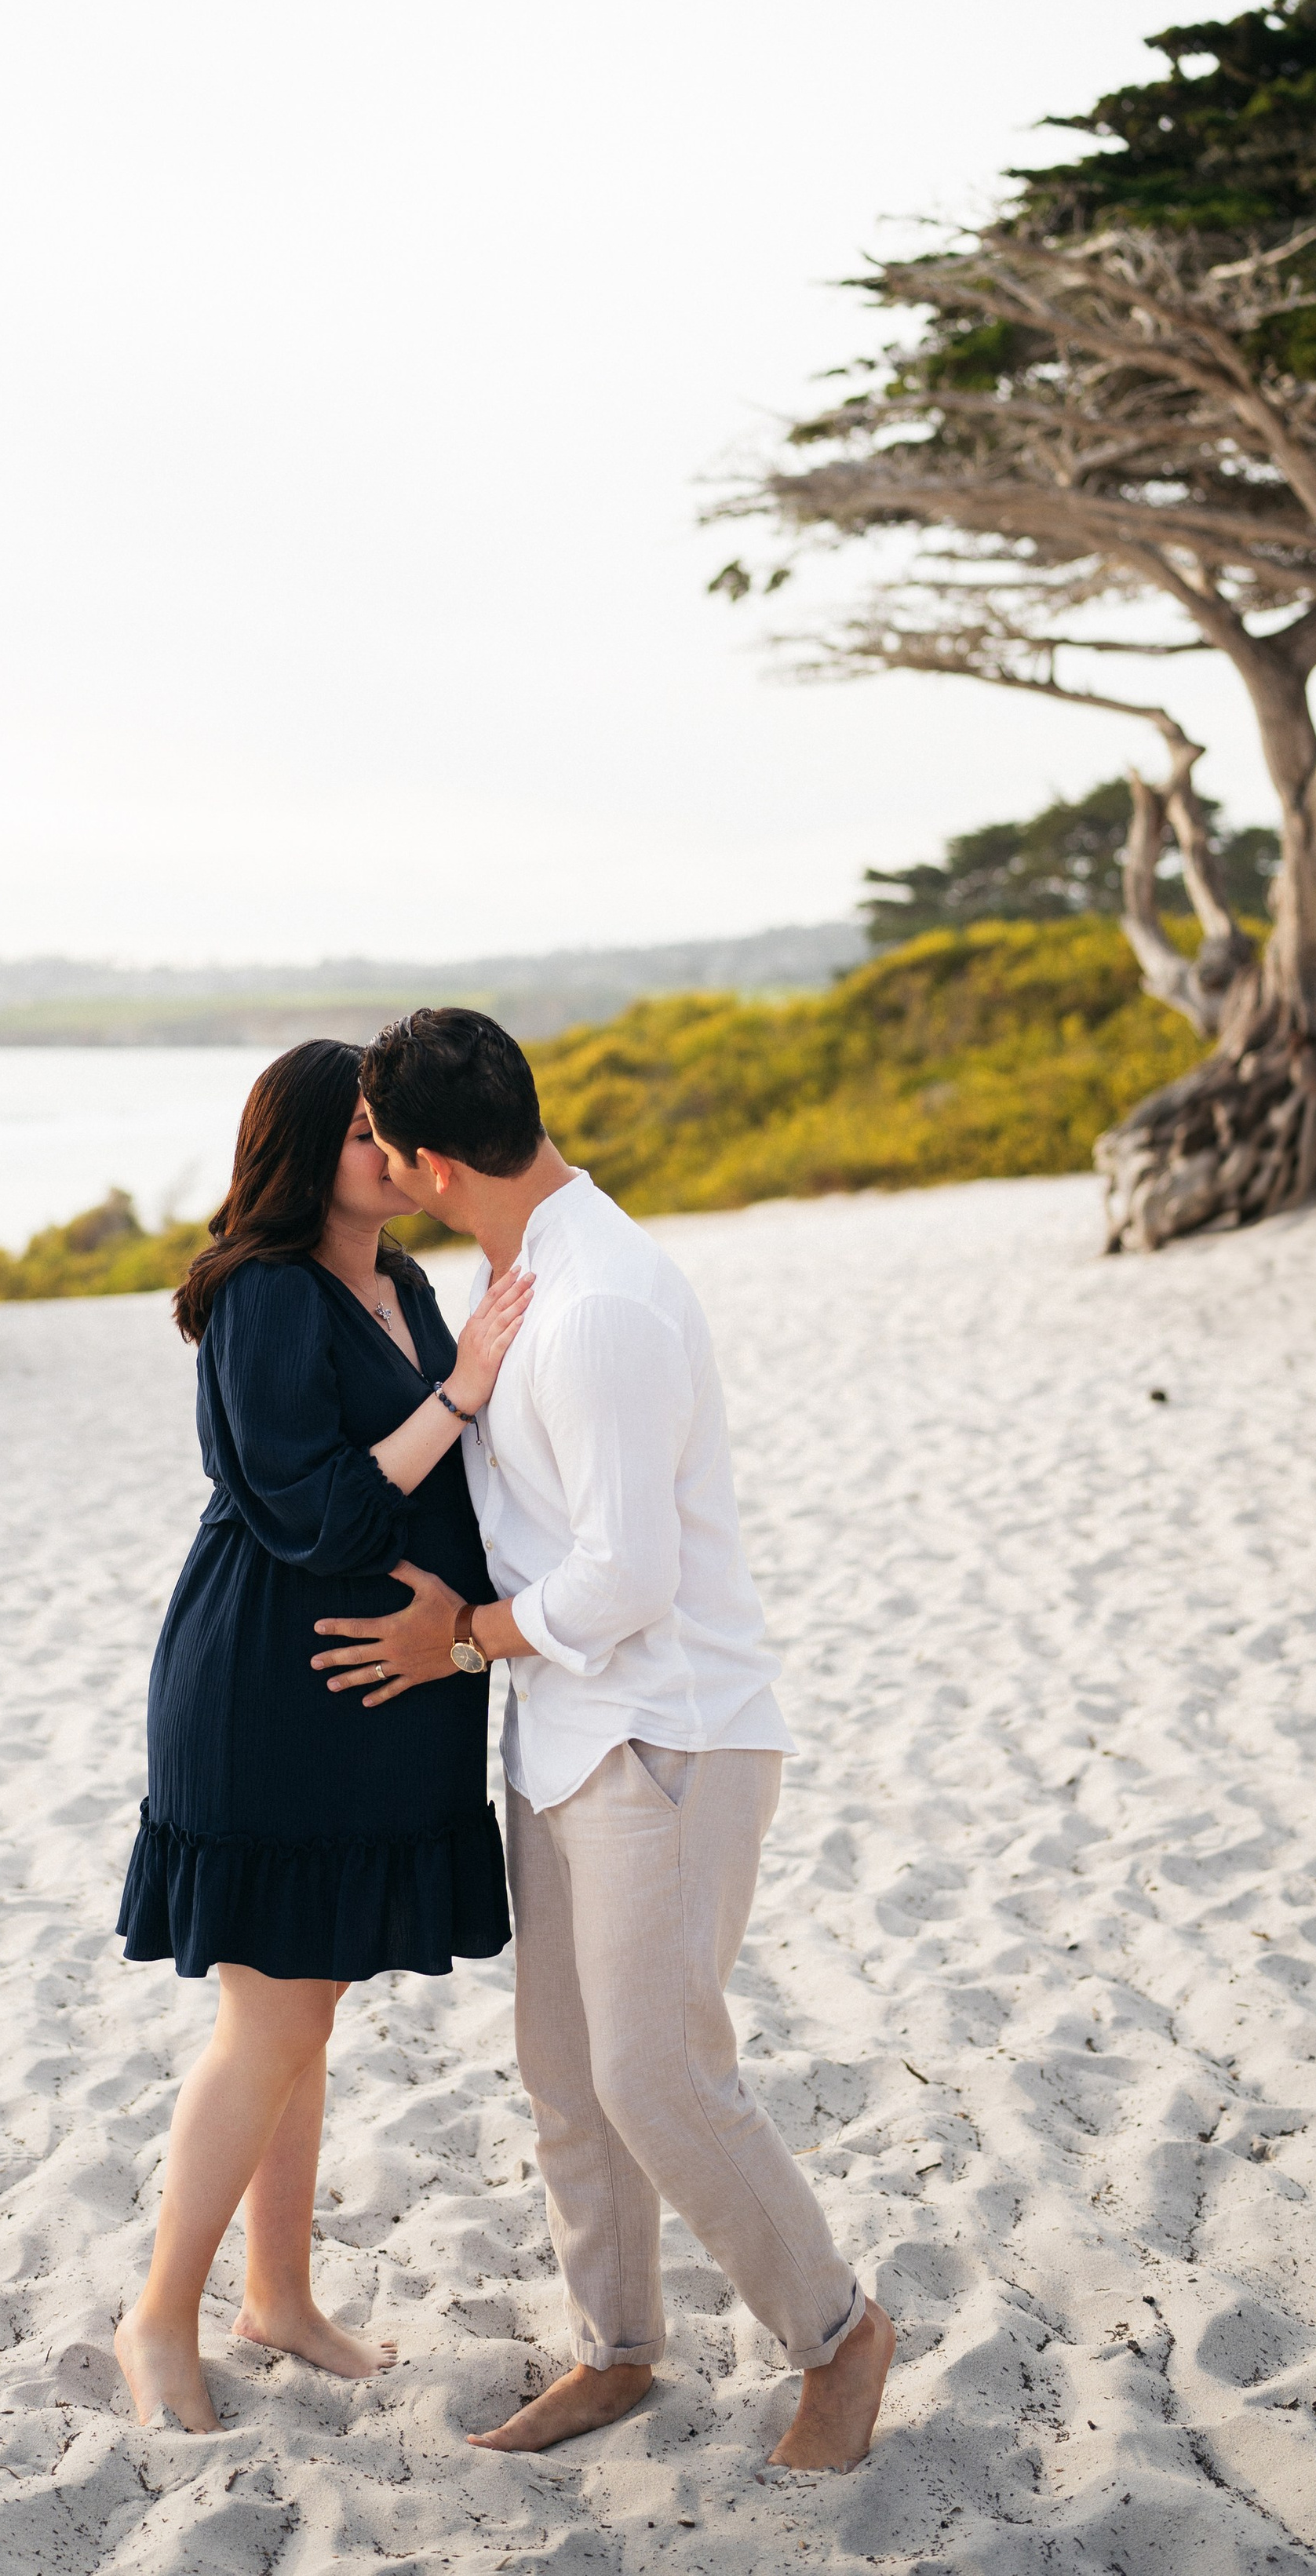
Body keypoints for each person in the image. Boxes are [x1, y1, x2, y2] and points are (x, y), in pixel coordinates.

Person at [312, 1007, 895, 2472]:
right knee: (566, 2076)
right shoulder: (514, 1273)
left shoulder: (601, 1306)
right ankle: (618, 2347)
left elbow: (627, 1580)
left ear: (434, 1161)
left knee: (660, 2076)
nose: (371, 1162)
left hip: (672, 1736)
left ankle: (837, 2336)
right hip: (562, 1733)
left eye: (382, 1141)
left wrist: (462, 1637)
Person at [113, 1037, 534, 2432]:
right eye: (366, 1130)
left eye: (396, 1127)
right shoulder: (263, 1298)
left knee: (311, 2004)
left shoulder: (402, 1279)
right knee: (271, 2010)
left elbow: (436, 1492)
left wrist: (474, 1613)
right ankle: (159, 2314)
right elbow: (322, 1514)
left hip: (386, 1679)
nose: (396, 1149)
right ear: (307, 1152)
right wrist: (462, 1391)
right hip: (272, 1680)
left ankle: (279, 2297)